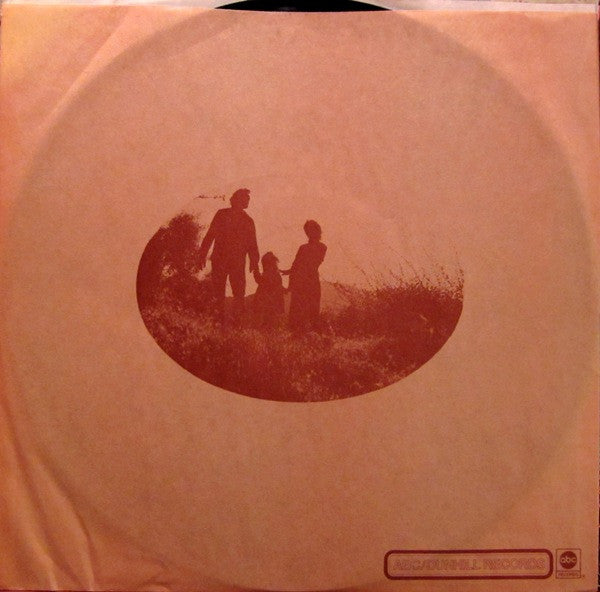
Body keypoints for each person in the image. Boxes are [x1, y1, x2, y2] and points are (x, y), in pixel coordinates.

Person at [198, 188, 259, 321]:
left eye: (248, 199)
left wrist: (254, 262)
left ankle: (237, 322)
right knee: (219, 292)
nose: (248, 201)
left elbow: (252, 244)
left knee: (239, 293)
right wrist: (202, 254)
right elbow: (210, 235)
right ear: (237, 200)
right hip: (221, 260)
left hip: (236, 262)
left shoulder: (248, 220)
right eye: (246, 198)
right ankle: (218, 321)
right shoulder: (222, 215)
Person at [282, 220, 327, 333]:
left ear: (317, 230)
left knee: (311, 310)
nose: (308, 233)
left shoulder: (321, 247)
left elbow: (307, 264)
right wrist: (289, 272)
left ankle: (311, 335)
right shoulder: (305, 248)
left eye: (310, 230)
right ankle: (300, 335)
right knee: (300, 311)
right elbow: (295, 265)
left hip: (308, 281)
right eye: (307, 231)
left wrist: (292, 272)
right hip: (304, 281)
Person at [253, 252, 285, 329]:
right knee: (271, 321)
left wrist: (255, 270)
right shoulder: (276, 274)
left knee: (268, 320)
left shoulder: (268, 274)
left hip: (267, 302)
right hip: (273, 302)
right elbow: (279, 287)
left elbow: (259, 280)